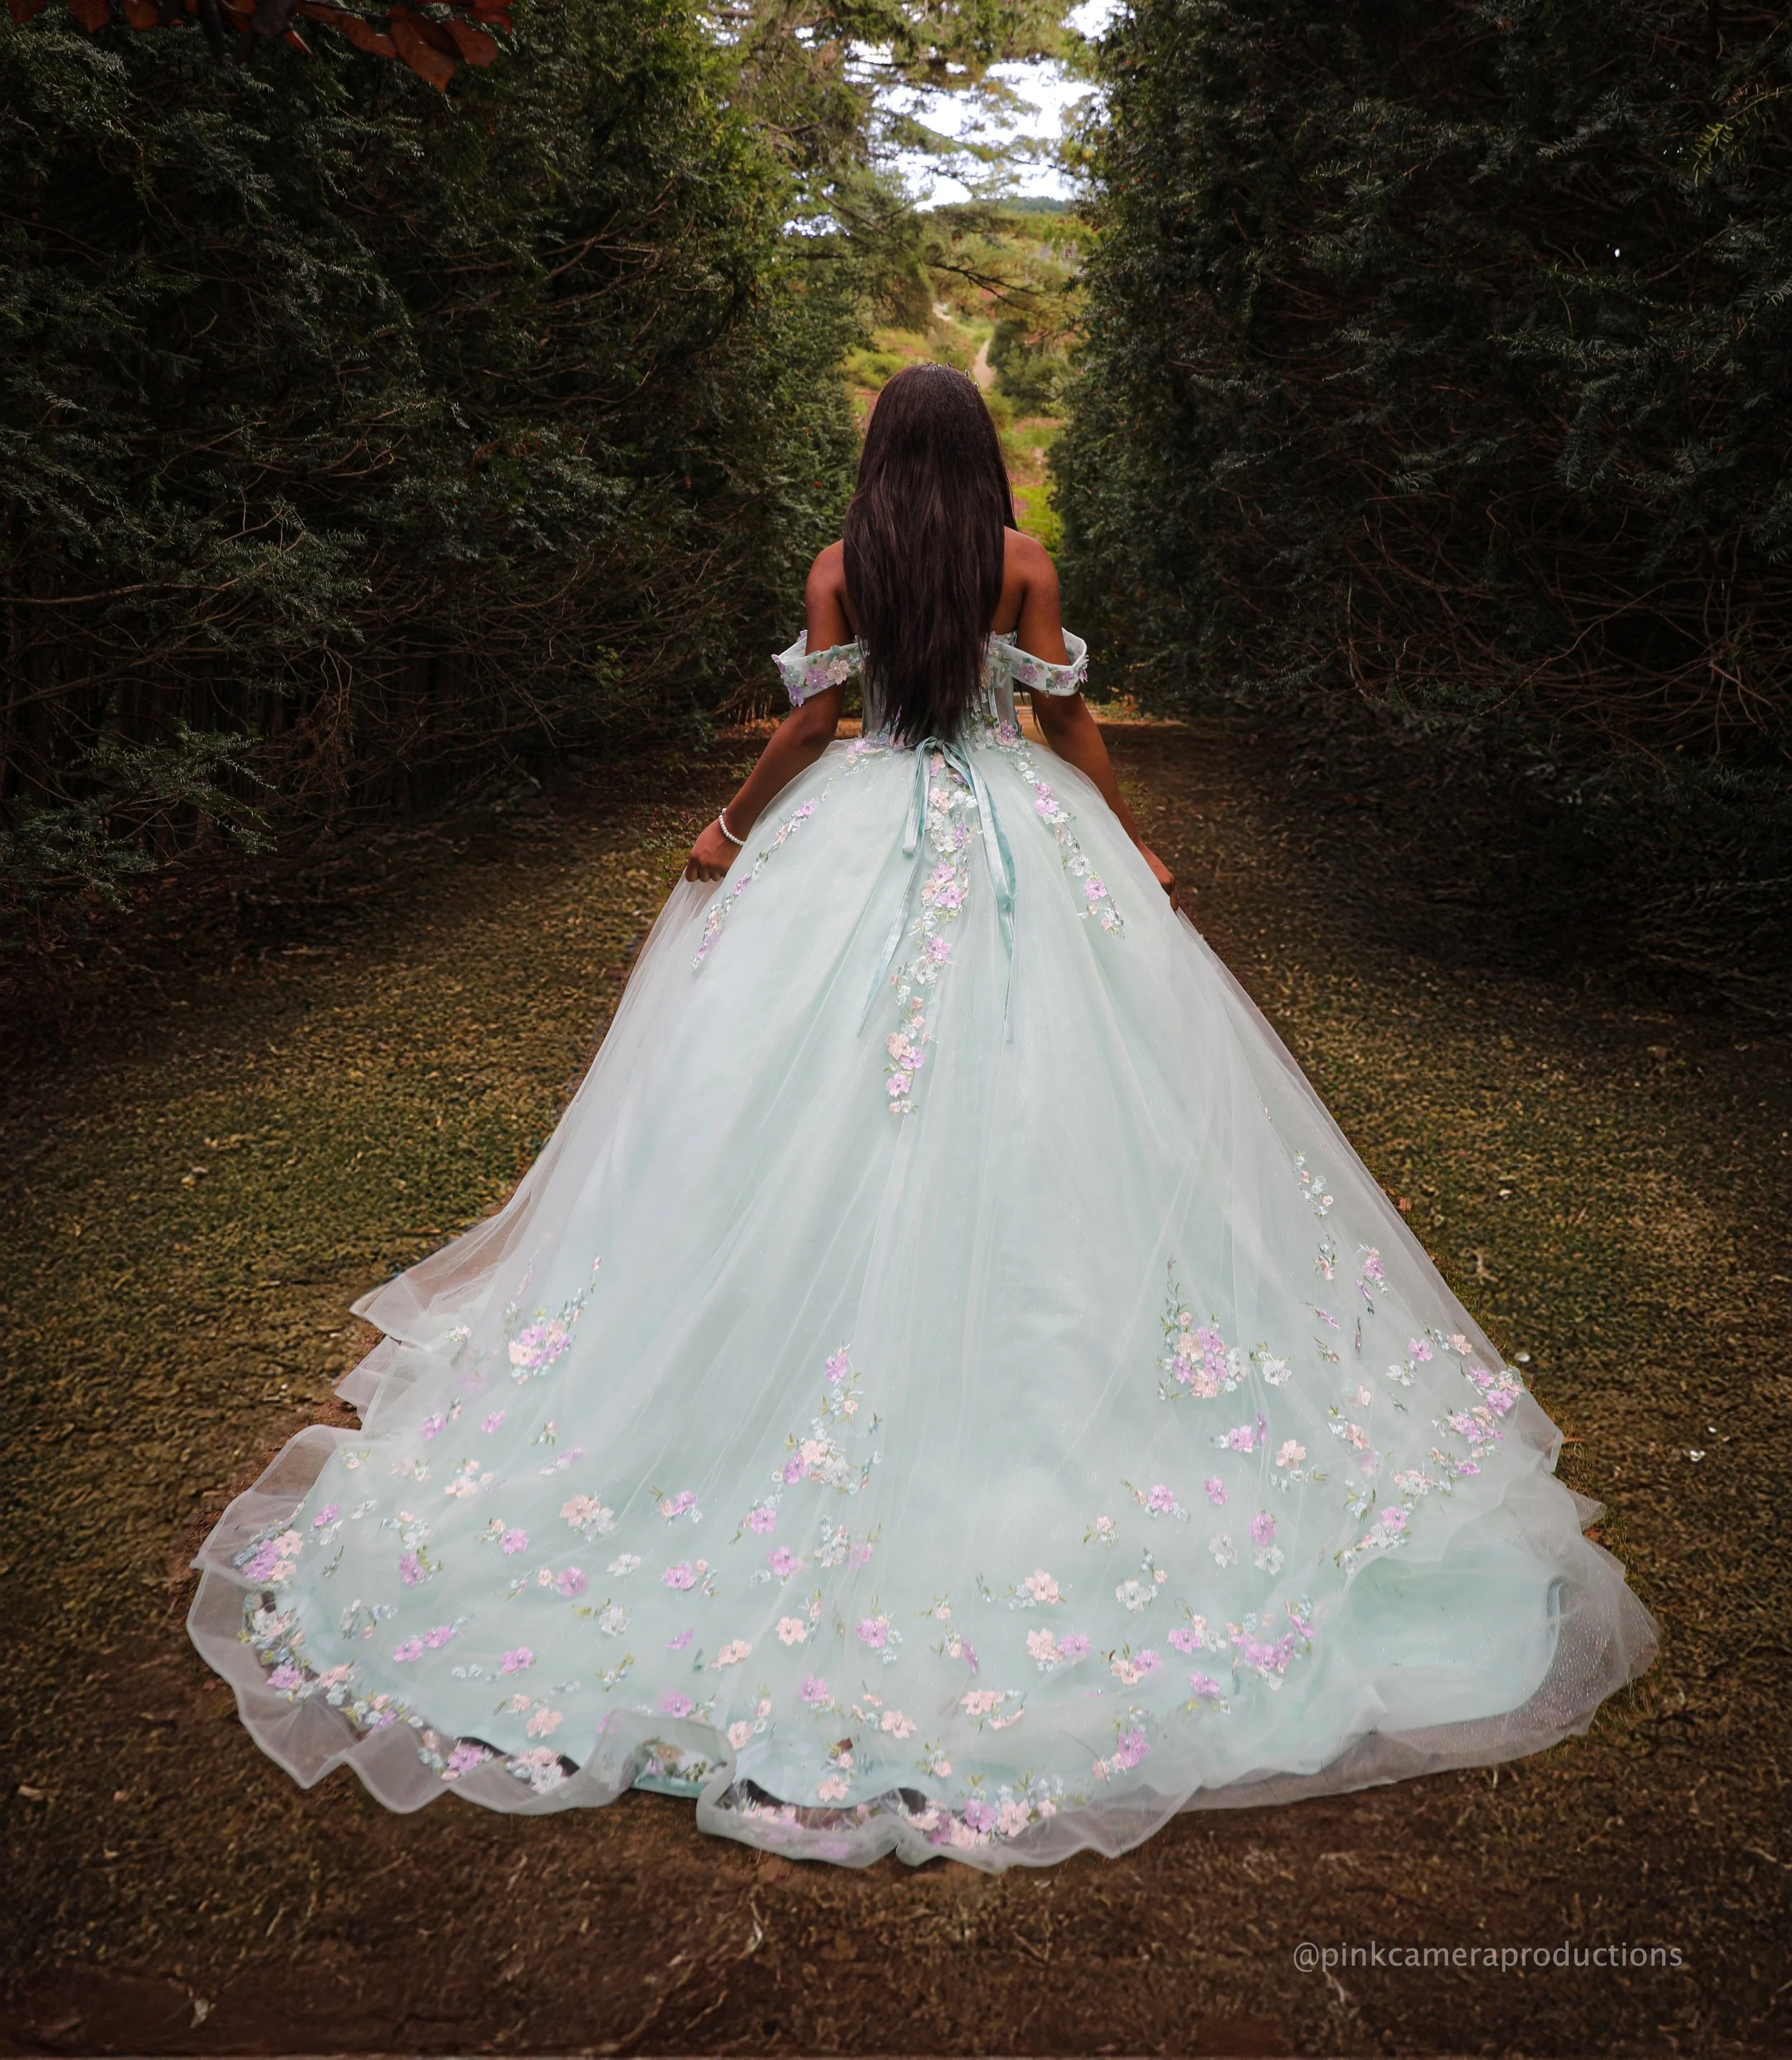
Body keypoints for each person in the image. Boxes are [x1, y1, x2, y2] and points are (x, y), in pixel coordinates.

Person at [189, 363, 1655, 1867]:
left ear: (882, 456)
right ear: (977, 458)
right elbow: (1068, 728)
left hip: (856, 833)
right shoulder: (1021, 563)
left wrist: (721, 831)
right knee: (1063, 1103)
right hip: (1019, 831)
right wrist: (1131, 852)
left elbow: (812, 737)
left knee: (788, 1104)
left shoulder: (842, 568)